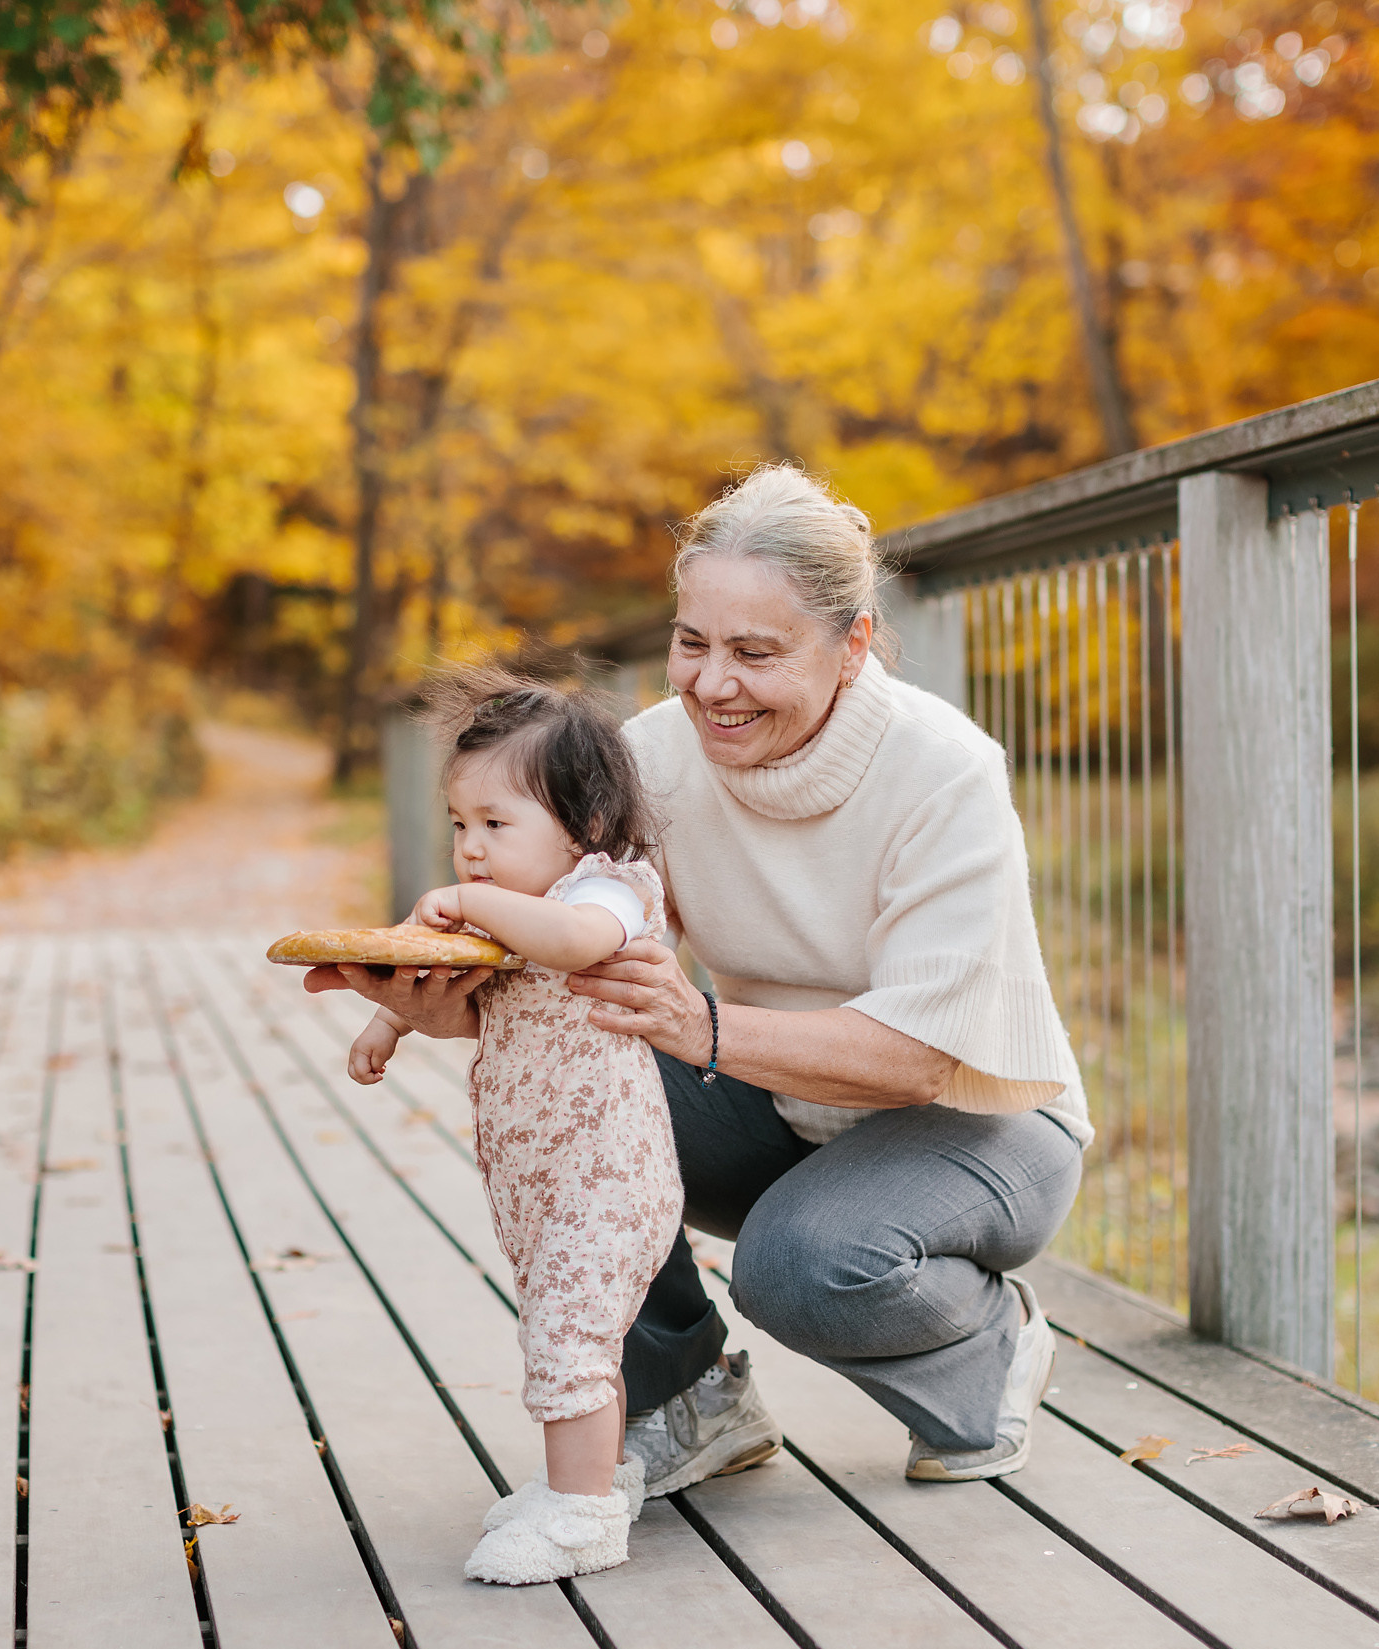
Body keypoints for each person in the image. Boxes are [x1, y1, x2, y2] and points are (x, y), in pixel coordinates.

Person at [320, 462, 1090, 1500]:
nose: (711, 684)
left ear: (851, 643)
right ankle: (688, 1400)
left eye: (755, 653)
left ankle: (987, 1351)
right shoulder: (651, 756)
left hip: (977, 1123)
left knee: (801, 1264)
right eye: (692, 643)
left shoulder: (942, 771)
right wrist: (444, 1004)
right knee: (563, 1105)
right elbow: (582, 959)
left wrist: (704, 1027)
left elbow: (917, 1055)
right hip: (775, 1096)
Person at [343, 670, 682, 1585]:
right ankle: (582, 1479)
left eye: (497, 824)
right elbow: (476, 1008)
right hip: (537, 1177)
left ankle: (582, 1515)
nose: (471, 850)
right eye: (460, 825)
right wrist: (392, 1014)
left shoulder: (608, 891)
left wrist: (472, 905)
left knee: (569, 1336)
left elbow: (577, 945)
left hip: (609, 1171)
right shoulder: (509, 926)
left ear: (584, 822)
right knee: (558, 1326)